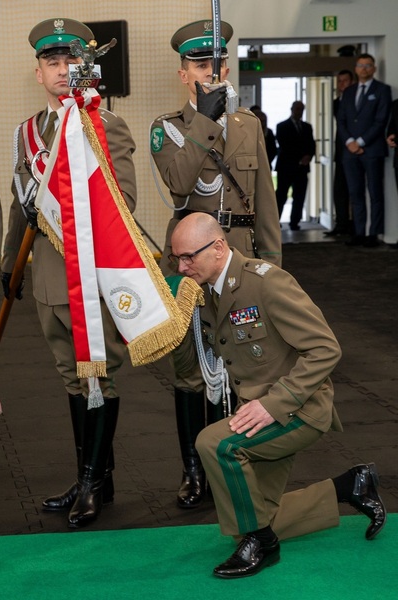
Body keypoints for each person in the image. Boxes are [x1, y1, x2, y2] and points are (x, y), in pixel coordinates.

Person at [170, 212, 386, 579]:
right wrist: (174, 321)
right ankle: (349, 486)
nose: (181, 265)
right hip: (258, 413)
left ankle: (263, 546)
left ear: (219, 247)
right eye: (177, 257)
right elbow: (189, 368)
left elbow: (325, 349)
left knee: (213, 443)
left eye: (189, 256)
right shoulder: (204, 293)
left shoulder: (266, 283)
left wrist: (274, 405)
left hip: (298, 409)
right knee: (247, 521)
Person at [0, 18, 137, 528]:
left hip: (90, 278)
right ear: (38, 73)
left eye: (70, 61)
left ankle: (90, 483)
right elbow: (21, 206)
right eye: (51, 62)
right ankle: (96, 475)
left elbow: (121, 202)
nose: (61, 70)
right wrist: (8, 263)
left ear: (86, 69)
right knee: (70, 379)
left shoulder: (104, 124)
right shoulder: (27, 132)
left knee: (97, 377)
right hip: (45, 281)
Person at [150, 19, 281, 509]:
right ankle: (194, 470)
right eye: (201, 65)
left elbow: (264, 201)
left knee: (251, 364)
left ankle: (240, 460)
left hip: (242, 257)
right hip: (188, 263)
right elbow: (180, 186)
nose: (213, 71)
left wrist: (274, 266)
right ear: (184, 74)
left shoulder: (250, 125)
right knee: (192, 370)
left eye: (219, 63)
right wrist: (205, 119)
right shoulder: (168, 128)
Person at [337, 53, 392, 247]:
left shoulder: (383, 90)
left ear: (374, 68)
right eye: (361, 65)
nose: (364, 69)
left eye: (368, 65)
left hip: (372, 150)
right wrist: (351, 142)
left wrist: (360, 142)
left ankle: (374, 234)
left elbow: (381, 120)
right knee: (355, 193)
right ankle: (359, 233)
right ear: (356, 68)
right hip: (349, 152)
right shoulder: (349, 91)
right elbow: (341, 120)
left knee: (375, 193)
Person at [275, 100, 316, 230]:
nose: (299, 112)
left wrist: (308, 156)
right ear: (292, 109)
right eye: (297, 109)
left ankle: (295, 222)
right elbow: (285, 145)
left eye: (301, 109)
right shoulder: (282, 126)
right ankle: (276, 221)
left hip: (302, 169)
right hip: (286, 168)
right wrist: (299, 158)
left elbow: (311, 144)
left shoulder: (307, 127)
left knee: (299, 196)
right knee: (281, 196)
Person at [324, 69, 354, 237]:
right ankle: (341, 224)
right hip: (341, 152)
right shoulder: (337, 102)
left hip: (356, 151)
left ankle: (354, 226)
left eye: (345, 81)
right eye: (339, 81)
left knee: (354, 191)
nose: (342, 84)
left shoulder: (357, 101)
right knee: (339, 190)